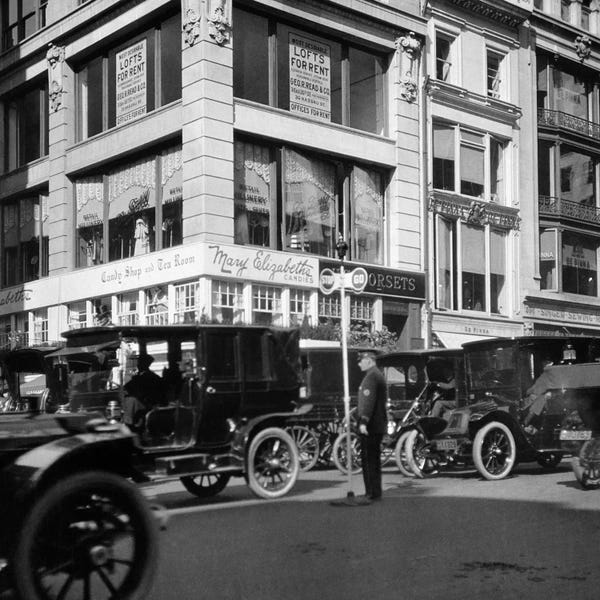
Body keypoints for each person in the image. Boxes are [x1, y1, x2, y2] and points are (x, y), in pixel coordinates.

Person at [356, 350, 387, 502]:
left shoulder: (371, 377)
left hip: (371, 425)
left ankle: (371, 492)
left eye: (361, 360)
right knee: (373, 460)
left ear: (369, 360)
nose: (359, 364)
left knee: (369, 461)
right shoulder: (377, 375)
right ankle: (375, 491)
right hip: (377, 424)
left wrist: (363, 422)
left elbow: (368, 402)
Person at [122, 354, 165, 430]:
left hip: (146, 404)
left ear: (145, 364)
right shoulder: (140, 376)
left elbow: (130, 387)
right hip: (143, 402)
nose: (138, 365)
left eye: (139, 363)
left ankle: (128, 425)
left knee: (130, 400)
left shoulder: (150, 377)